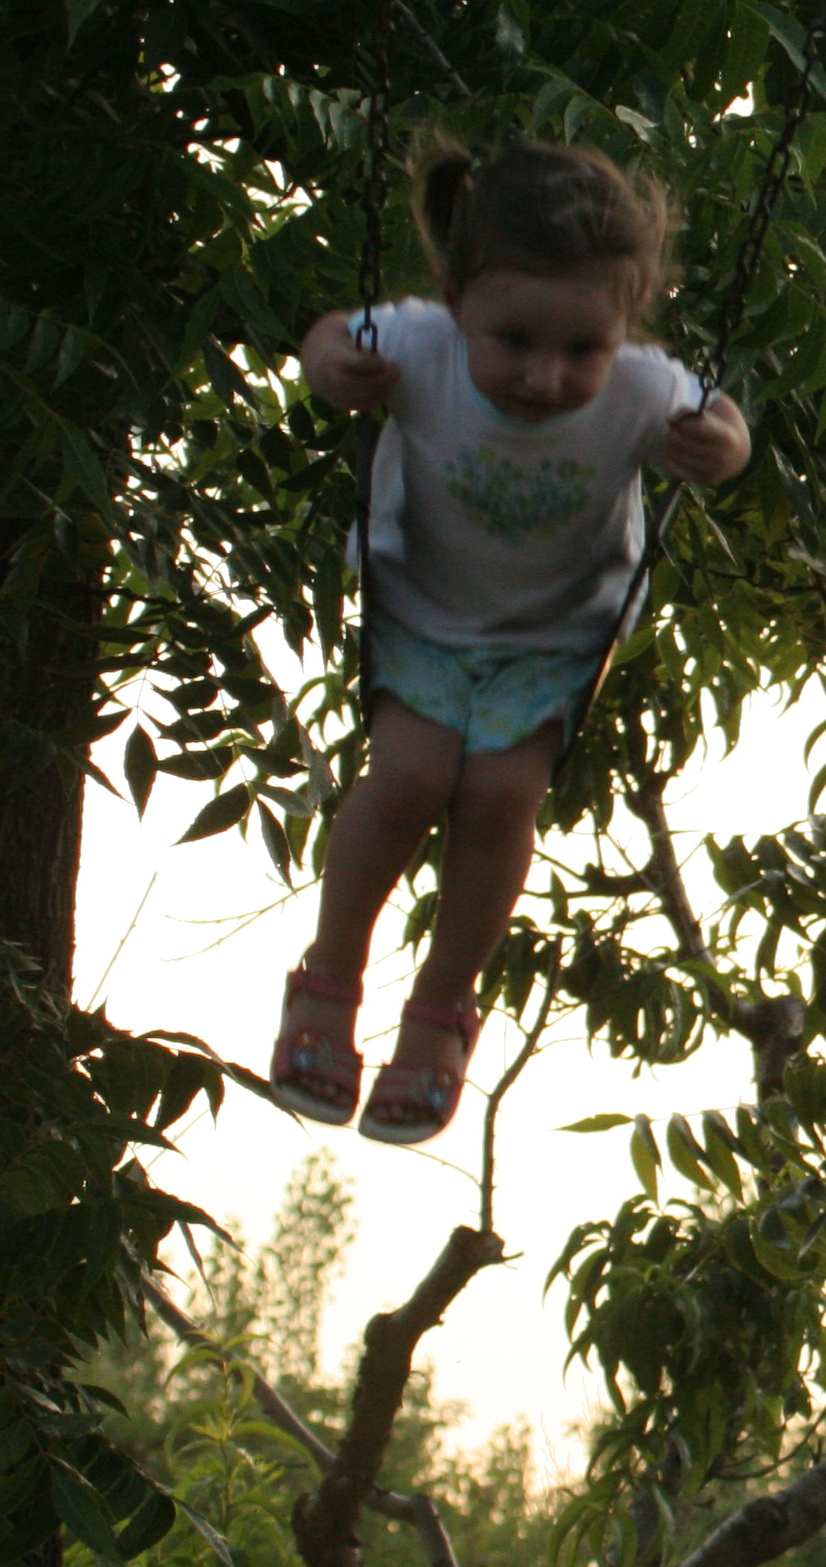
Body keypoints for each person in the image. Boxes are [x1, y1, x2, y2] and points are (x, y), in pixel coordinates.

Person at [267, 140, 750, 1143]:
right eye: (517, 339)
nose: (544, 374)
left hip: (557, 635)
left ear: (626, 321)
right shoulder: (419, 343)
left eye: (582, 349)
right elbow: (327, 338)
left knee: (500, 796)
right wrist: (331, 366)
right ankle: (328, 982)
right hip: (421, 609)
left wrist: (722, 448)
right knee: (408, 776)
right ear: (454, 300)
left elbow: (721, 423)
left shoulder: (640, 388)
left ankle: (439, 1016)